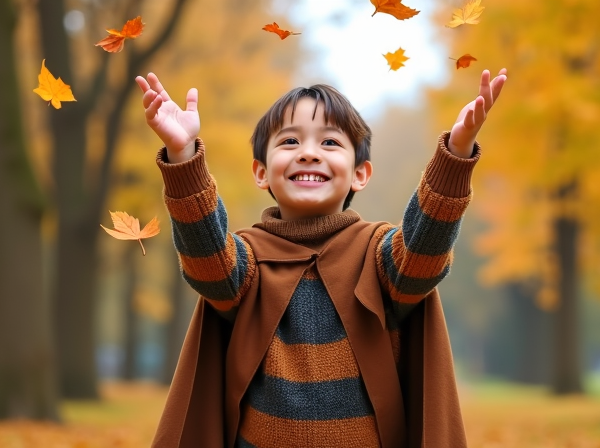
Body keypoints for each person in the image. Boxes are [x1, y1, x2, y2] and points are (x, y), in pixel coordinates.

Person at [135, 68, 507, 448]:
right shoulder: (247, 261)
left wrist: (455, 156)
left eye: (330, 143)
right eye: (290, 141)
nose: (309, 153)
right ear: (261, 173)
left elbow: (421, 256)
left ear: (360, 174)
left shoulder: (378, 254)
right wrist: (183, 157)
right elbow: (207, 260)